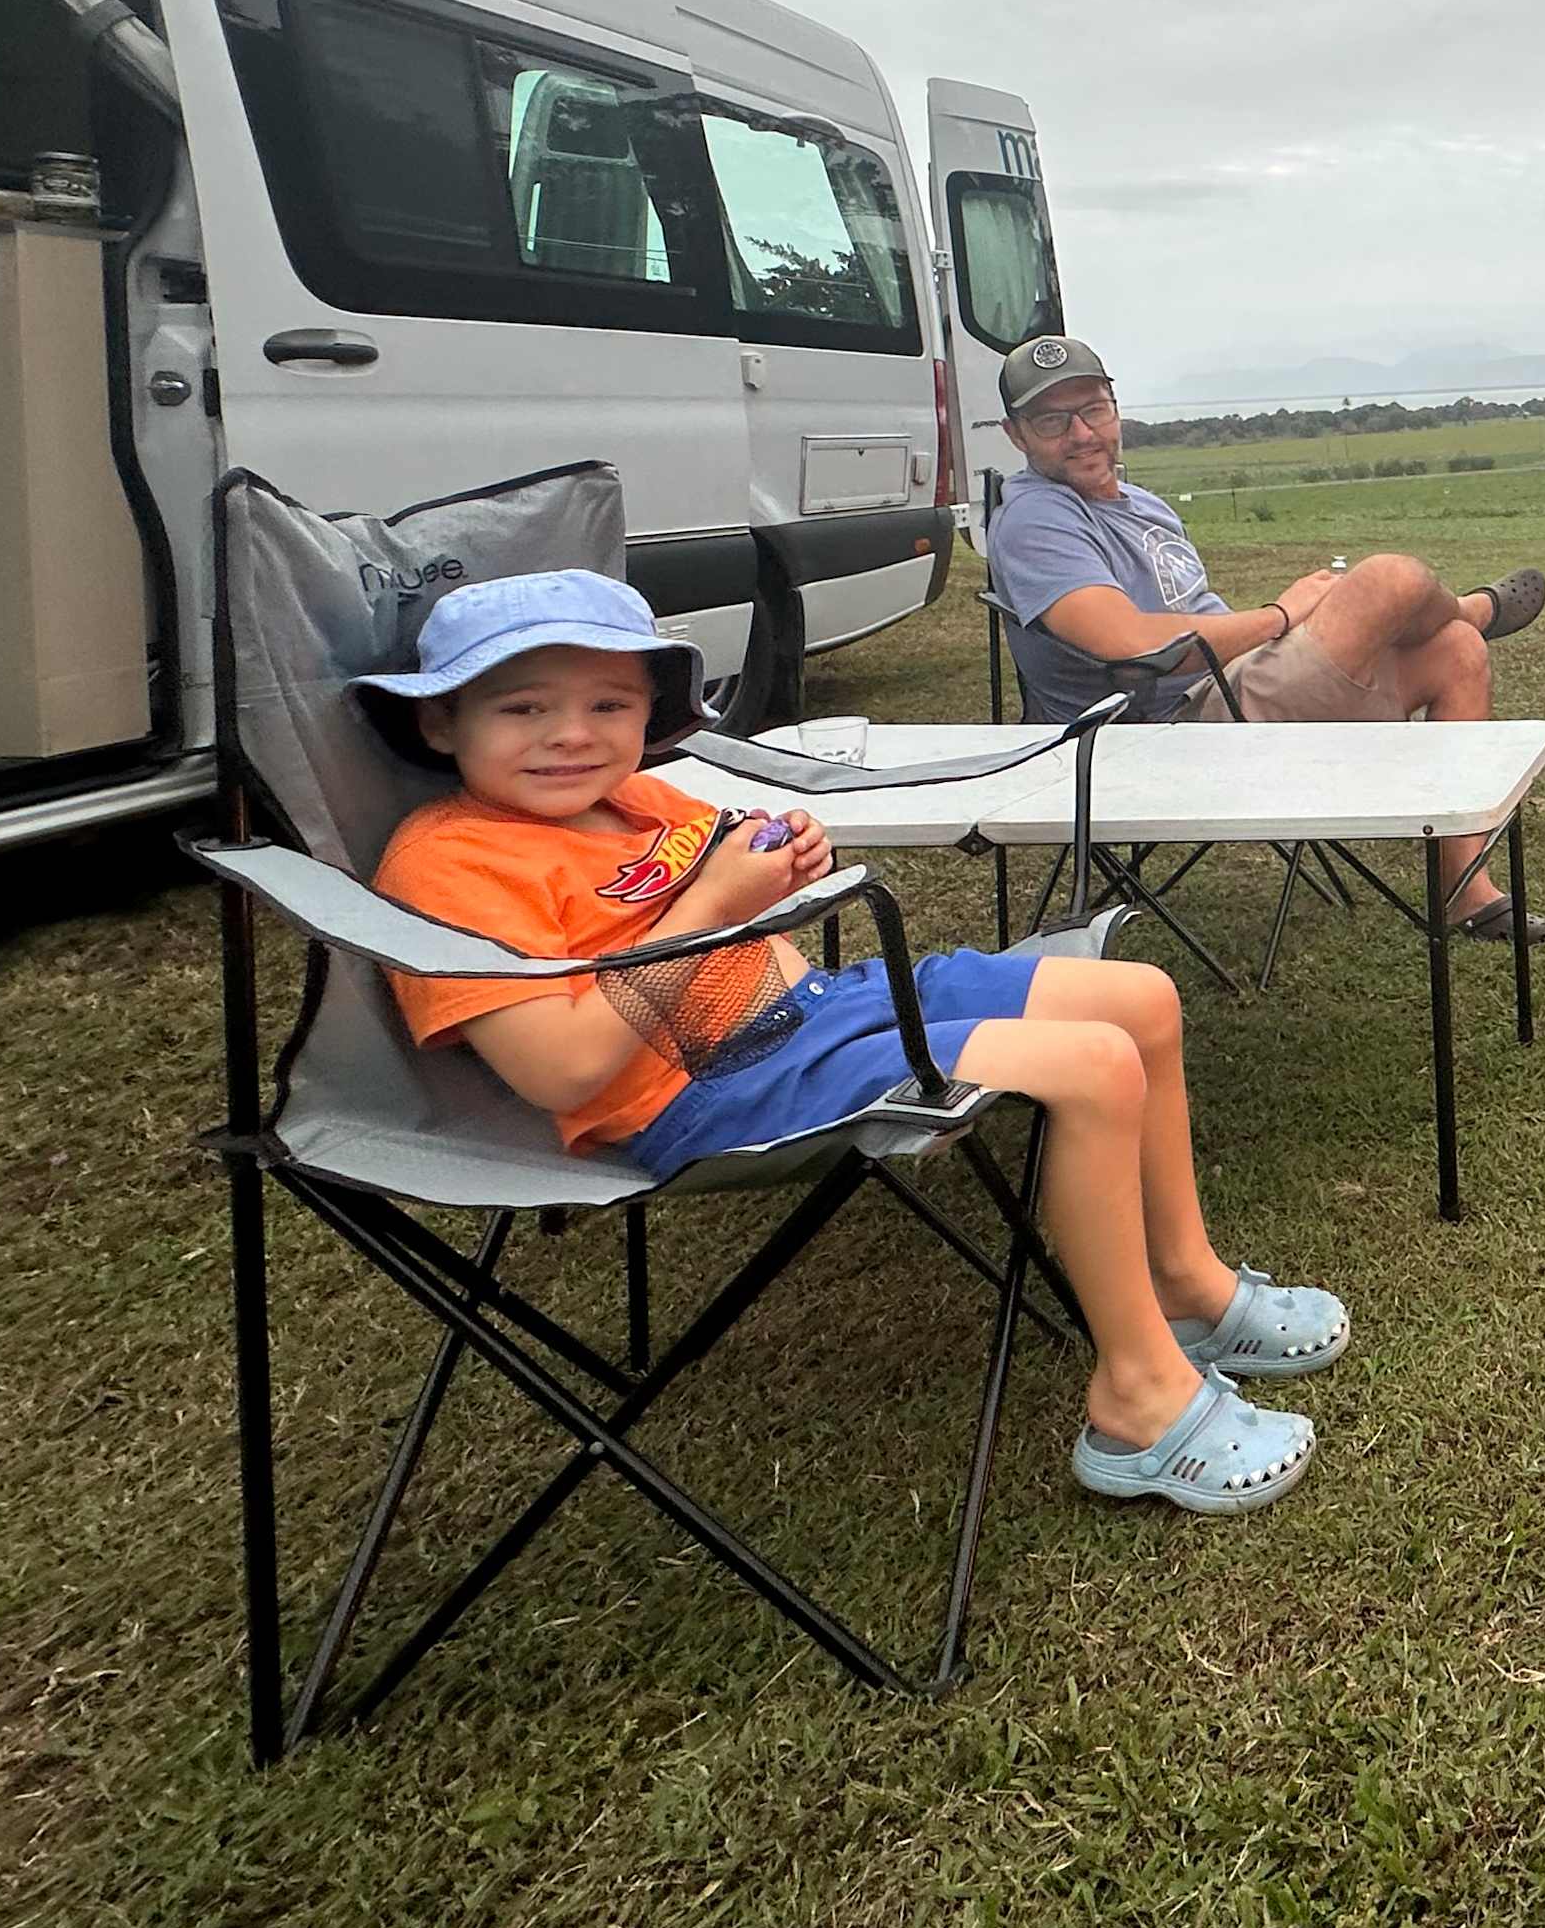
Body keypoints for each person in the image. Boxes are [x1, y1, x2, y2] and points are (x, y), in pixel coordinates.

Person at [360, 567, 1340, 1515]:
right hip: (708, 1088)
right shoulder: (449, 866)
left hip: (818, 1009)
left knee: (1138, 998)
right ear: (440, 719)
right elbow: (563, 1066)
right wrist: (714, 906)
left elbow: (736, 865)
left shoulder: (635, 800)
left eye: (609, 708)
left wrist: (781, 865)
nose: (572, 736)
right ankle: (1138, 1400)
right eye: (524, 709)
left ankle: (1185, 1285)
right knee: (1092, 1066)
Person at [985, 332, 1545, 944]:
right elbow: (1129, 641)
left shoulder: (1143, 505)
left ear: (1114, 407)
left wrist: (1281, 632)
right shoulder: (1036, 518)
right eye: (1052, 420)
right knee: (1391, 581)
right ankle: (1475, 608)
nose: (1081, 433)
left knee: (1455, 653)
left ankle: (1468, 893)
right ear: (1016, 434)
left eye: (1093, 409)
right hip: (1158, 733)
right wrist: (1281, 617)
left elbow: (1184, 616)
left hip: (1223, 693)